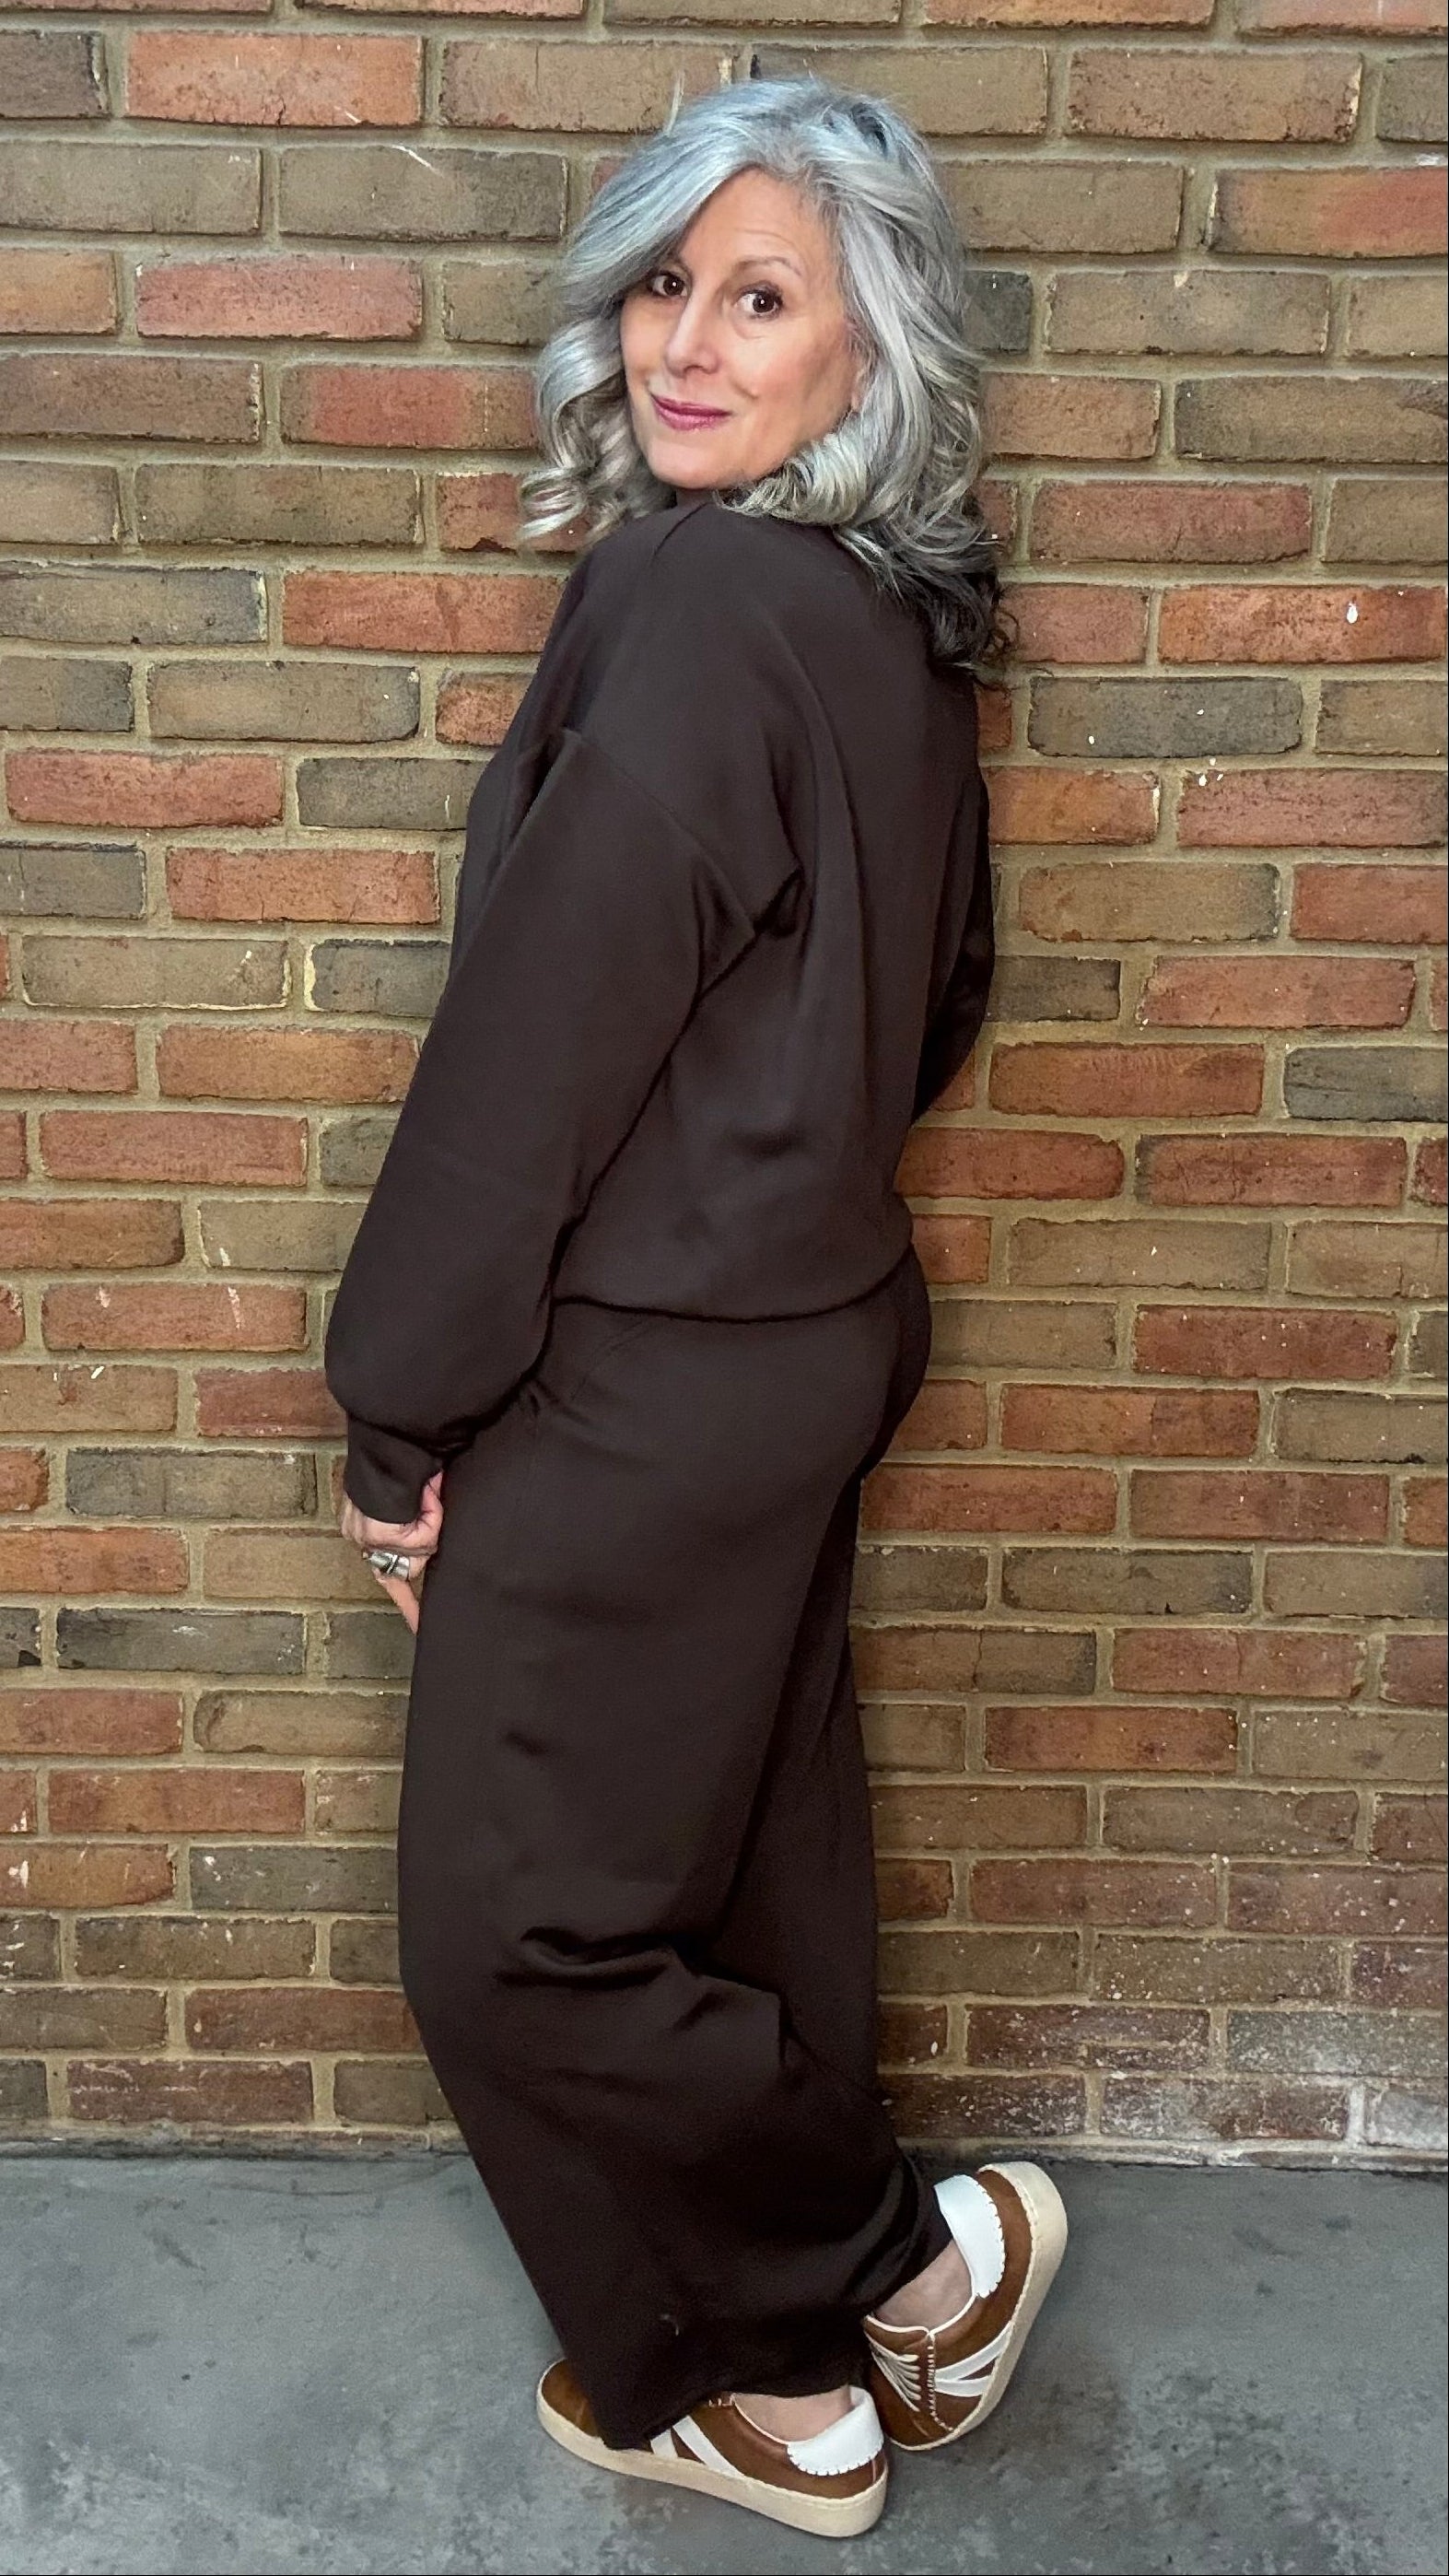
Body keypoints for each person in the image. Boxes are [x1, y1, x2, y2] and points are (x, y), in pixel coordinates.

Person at [323, 72, 1067, 2541]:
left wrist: (403, 1416)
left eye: (761, 295)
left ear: (872, 343)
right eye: (665, 281)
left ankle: (872, 2280)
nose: (687, 342)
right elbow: (940, 996)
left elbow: (528, 1061)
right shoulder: (895, 618)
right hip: (808, 1331)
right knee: (741, 1866)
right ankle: (834, 2353)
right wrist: (783, 1166)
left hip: (643, 1374)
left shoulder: (697, 599)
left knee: (515, 1931)